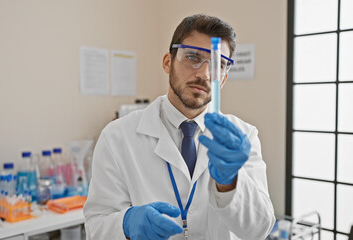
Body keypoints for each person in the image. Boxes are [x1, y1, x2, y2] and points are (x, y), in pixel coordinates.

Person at [84, 14, 275, 240]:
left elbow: (260, 230)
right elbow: (96, 226)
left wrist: (230, 183)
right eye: (193, 57)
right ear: (168, 62)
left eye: (217, 64)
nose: (203, 74)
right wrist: (125, 224)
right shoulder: (117, 137)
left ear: (223, 79)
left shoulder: (244, 137)